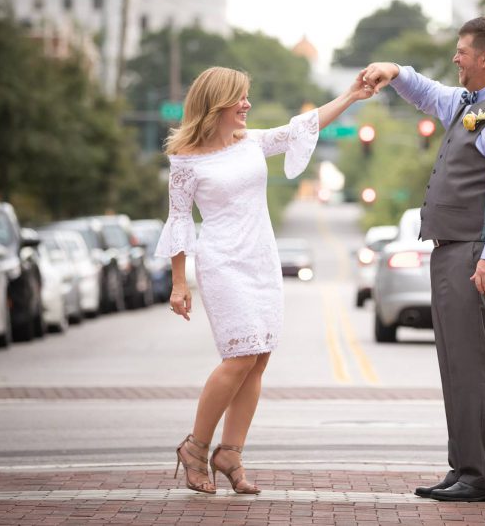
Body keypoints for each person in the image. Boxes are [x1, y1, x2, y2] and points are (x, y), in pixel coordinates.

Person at [156, 66, 372, 494]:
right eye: (240, 98)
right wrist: (179, 282)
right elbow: (179, 220)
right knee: (238, 356)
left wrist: (349, 96)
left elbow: (302, 127)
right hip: (222, 262)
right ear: (216, 104)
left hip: (262, 259)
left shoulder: (251, 143)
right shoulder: (185, 162)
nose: (247, 105)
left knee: (259, 358)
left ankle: (230, 452)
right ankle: (196, 448)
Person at [362, 16, 485, 503]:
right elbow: (428, 93)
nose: (455, 59)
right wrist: (394, 71)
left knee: (472, 365)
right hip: (454, 251)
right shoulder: (471, 104)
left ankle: (481, 477)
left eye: (462, 51)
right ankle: (463, 468)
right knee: (456, 364)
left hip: (476, 254)